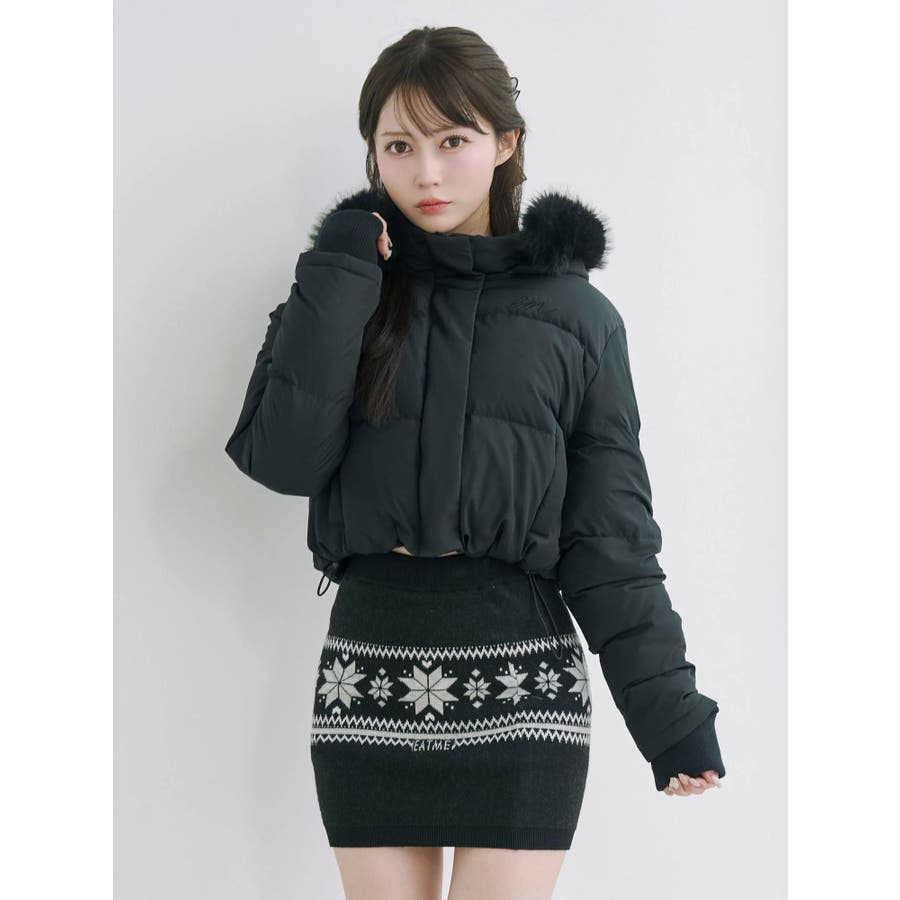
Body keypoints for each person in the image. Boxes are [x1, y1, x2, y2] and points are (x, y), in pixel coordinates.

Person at [224, 24, 725, 900]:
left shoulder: (578, 318)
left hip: (523, 681)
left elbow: (610, 538)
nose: (426, 172)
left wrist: (670, 716)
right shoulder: (342, 288)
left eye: (452, 140)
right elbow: (284, 461)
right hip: (370, 671)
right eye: (399, 147)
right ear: (373, 155)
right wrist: (339, 272)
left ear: (504, 142)